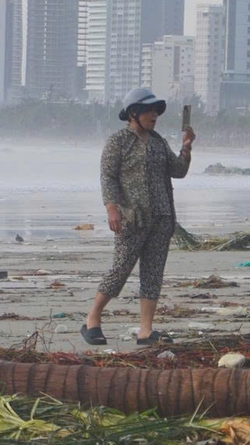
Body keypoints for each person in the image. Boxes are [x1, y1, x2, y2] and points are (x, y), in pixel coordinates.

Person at [83, 86, 194, 348]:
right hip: (131, 217)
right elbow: (108, 176)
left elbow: (178, 171)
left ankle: (145, 330)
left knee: (153, 273)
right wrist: (111, 208)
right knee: (120, 269)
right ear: (134, 113)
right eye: (148, 111)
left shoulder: (158, 142)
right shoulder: (118, 141)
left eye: (156, 111)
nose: (154, 115)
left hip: (162, 217)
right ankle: (92, 318)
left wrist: (186, 148)